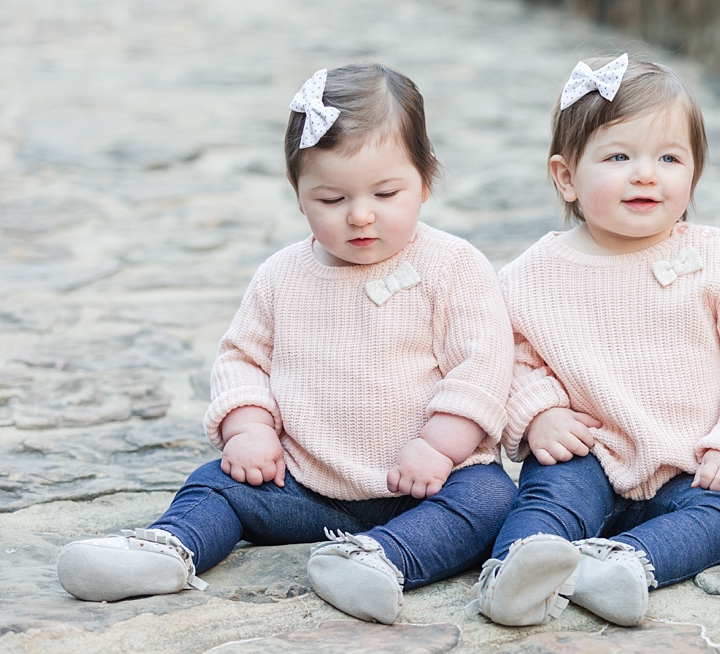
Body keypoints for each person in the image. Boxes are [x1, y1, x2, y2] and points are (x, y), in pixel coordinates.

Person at [57, 63, 518, 625]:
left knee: (492, 500)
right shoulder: (282, 275)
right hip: (306, 483)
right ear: (299, 195)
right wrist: (248, 428)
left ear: (425, 181)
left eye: (386, 192)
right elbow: (243, 360)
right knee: (217, 483)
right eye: (331, 199)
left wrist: (440, 446)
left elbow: (484, 367)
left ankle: (381, 560)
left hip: (428, 482)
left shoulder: (452, 266)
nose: (361, 214)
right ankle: (167, 549)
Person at [466, 53, 720, 628]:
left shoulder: (719, 256)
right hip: (587, 452)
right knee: (548, 500)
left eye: (669, 158)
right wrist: (537, 414)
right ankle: (514, 572)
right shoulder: (533, 273)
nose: (647, 174)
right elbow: (503, 356)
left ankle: (621, 567)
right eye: (619, 157)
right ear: (566, 176)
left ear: (693, 173)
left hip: (691, 461)